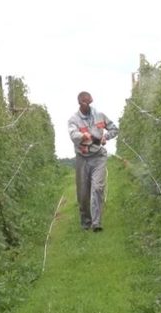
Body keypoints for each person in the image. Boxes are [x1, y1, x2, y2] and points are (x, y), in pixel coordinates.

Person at [67, 91, 118, 232]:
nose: (88, 104)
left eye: (90, 101)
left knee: (97, 188)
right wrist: (84, 135)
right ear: (79, 102)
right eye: (85, 102)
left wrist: (105, 137)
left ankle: (96, 223)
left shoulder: (100, 115)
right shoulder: (73, 120)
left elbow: (114, 129)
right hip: (82, 158)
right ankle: (86, 222)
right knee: (83, 193)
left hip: (98, 157)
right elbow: (73, 134)